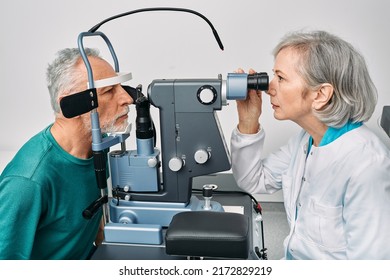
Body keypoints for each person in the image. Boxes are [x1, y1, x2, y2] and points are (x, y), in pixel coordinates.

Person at [231, 30, 390, 259]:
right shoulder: (305, 141)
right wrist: (248, 121)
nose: (269, 88)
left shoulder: (367, 165)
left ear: (320, 94)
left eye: (281, 78)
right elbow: (254, 181)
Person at [0, 48, 133, 259]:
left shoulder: (98, 146)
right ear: (71, 104)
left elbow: (95, 214)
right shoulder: (28, 182)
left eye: (121, 87)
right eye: (108, 91)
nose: (127, 98)